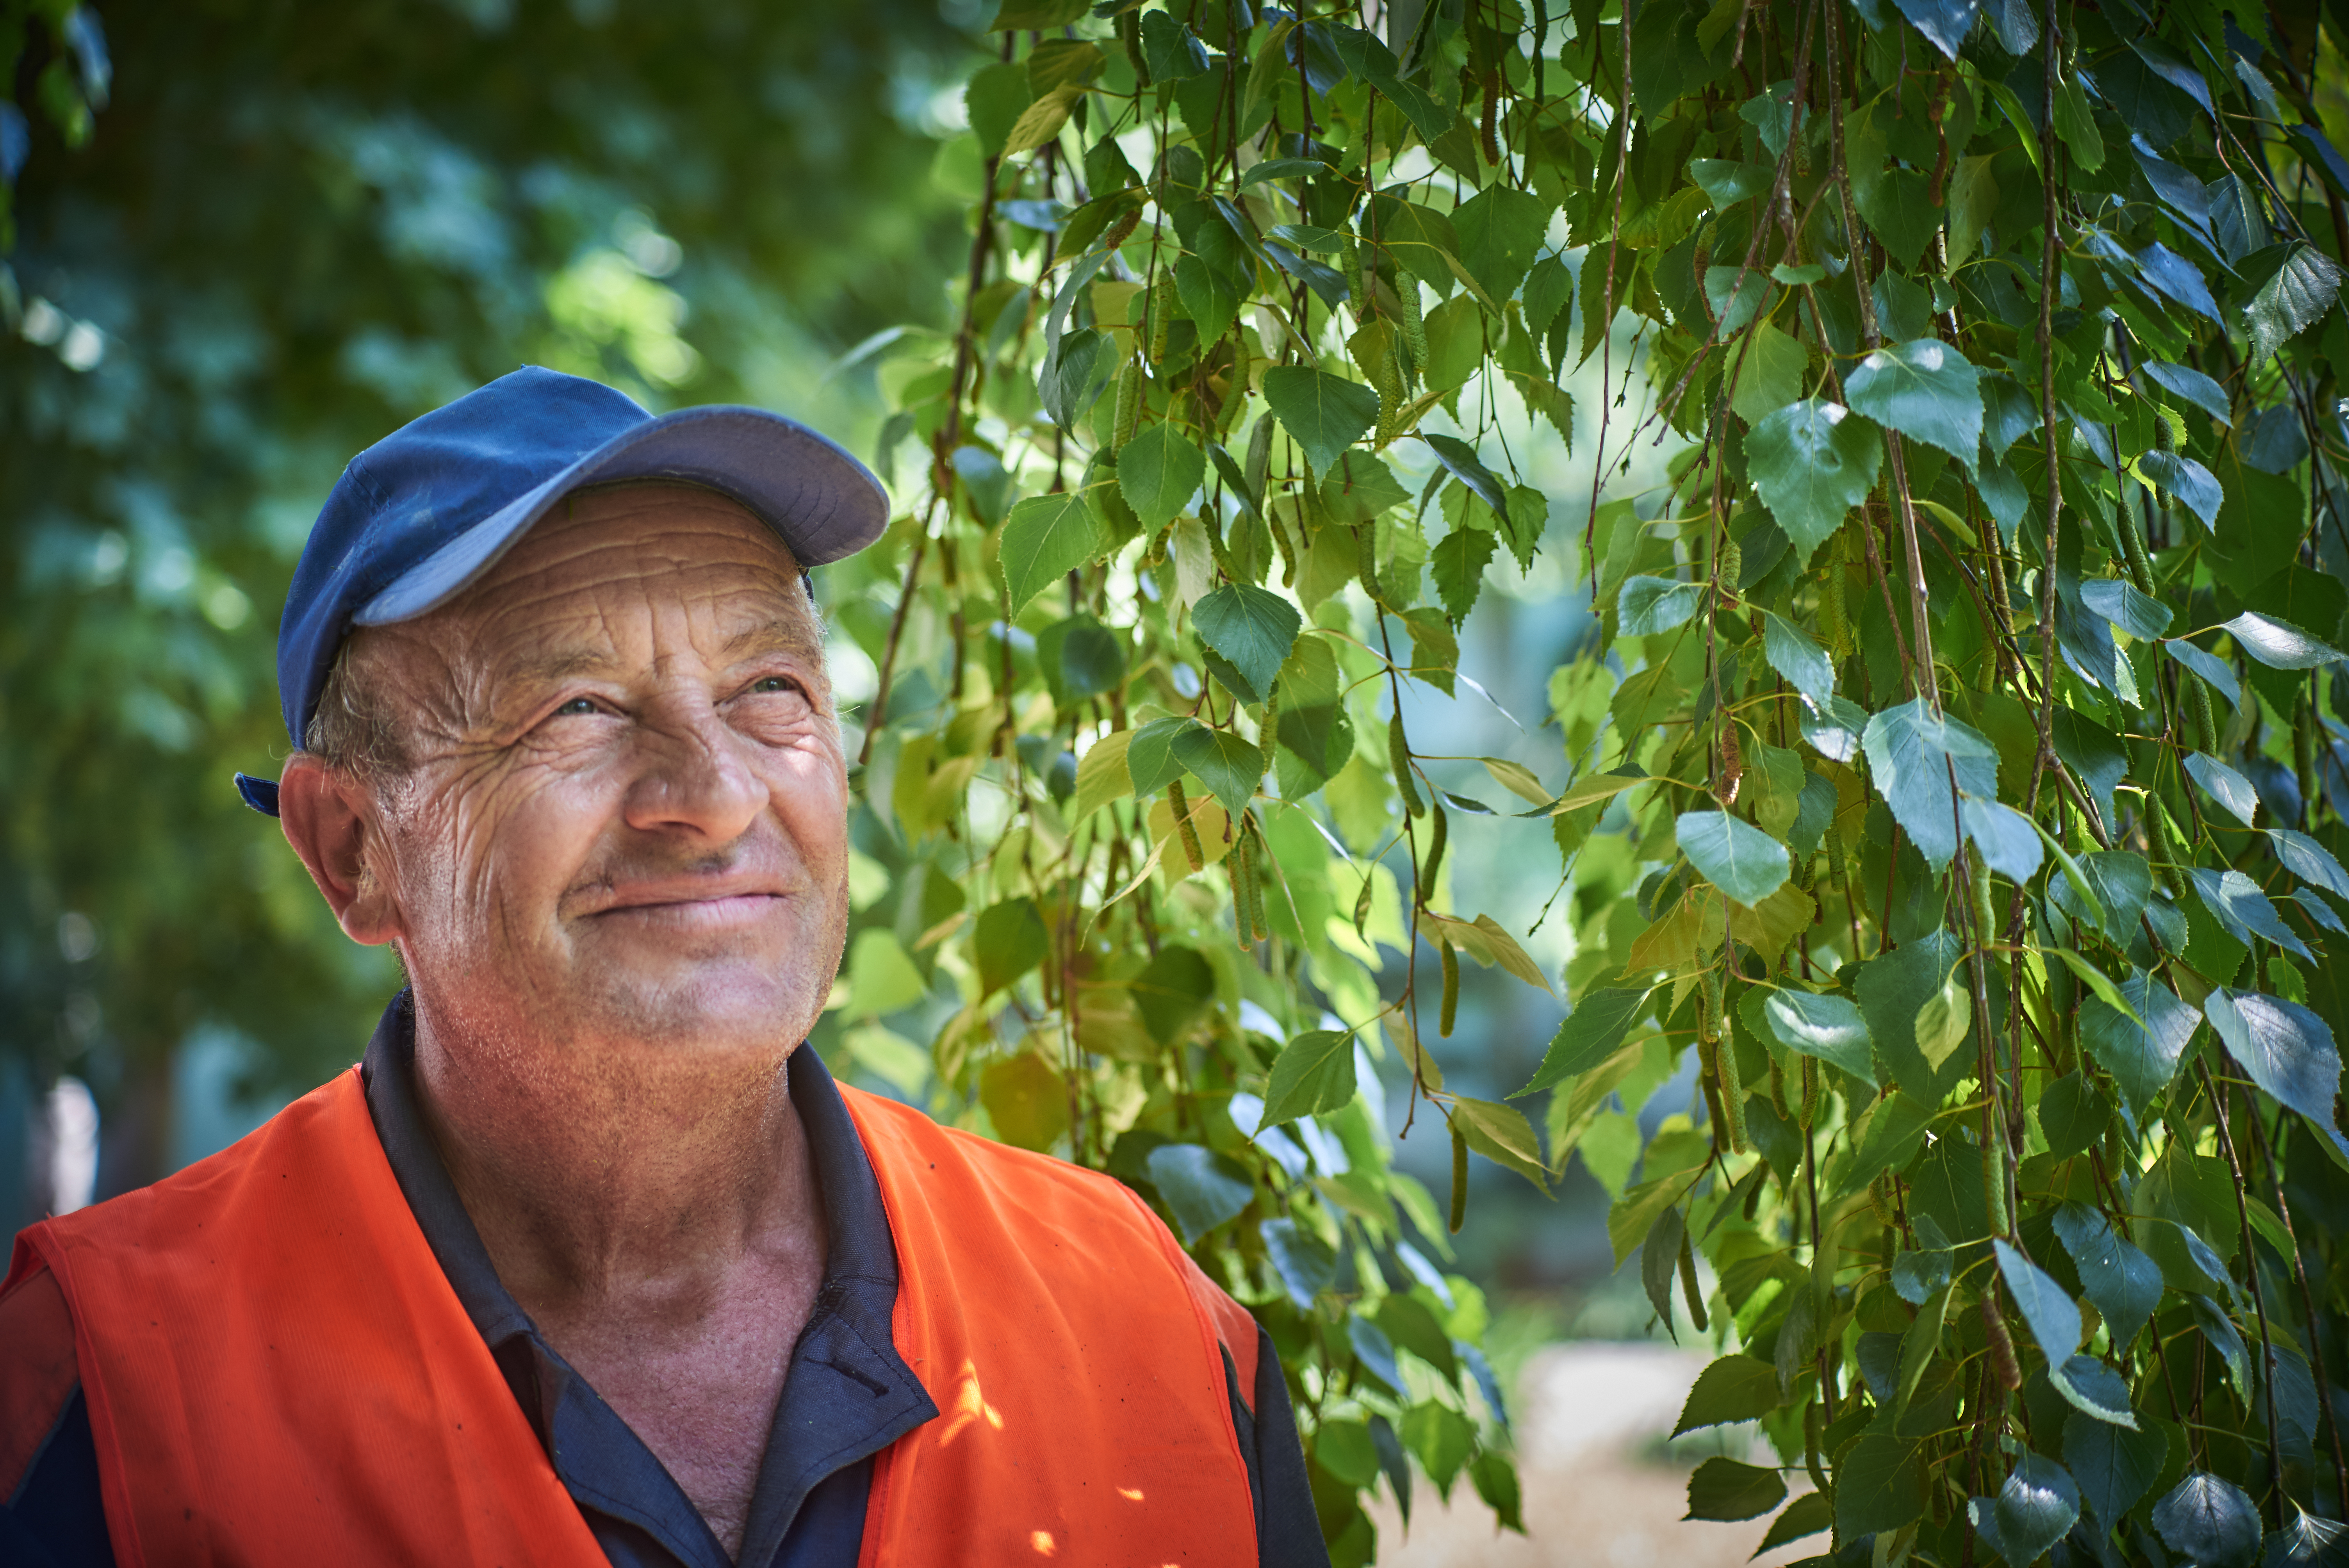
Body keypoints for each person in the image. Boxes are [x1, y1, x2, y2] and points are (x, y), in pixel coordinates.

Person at [0, 368, 1328, 1567]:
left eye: (769, 690)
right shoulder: (110, 1386)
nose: (714, 794)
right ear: (353, 850)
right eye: (575, 707)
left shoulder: (1146, 1321)